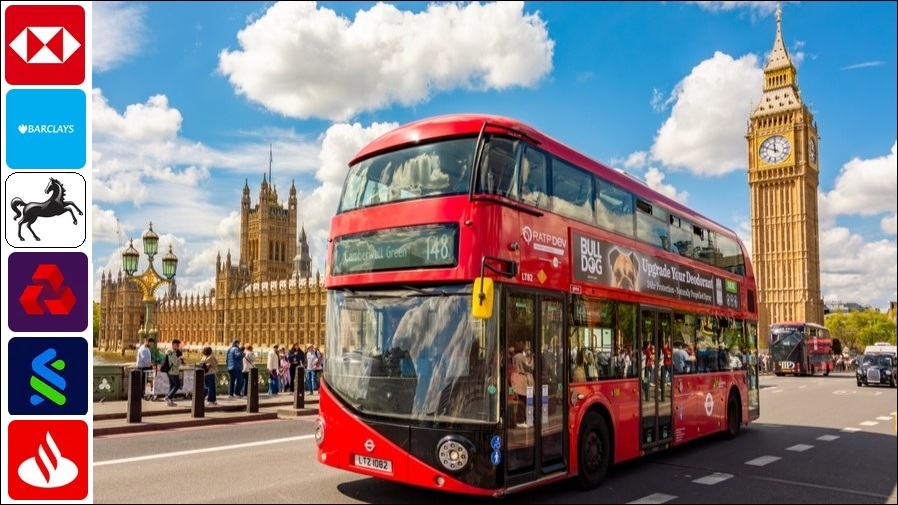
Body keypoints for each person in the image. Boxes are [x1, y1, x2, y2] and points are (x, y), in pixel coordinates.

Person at [163, 339, 185, 406]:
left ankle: (170, 402)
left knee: (172, 385)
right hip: (173, 371)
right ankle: (168, 397)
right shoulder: (172, 352)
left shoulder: (169, 351)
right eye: (177, 345)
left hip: (169, 371)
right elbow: (176, 363)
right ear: (173, 345)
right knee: (177, 385)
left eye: (178, 345)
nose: (178, 346)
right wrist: (181, 359)